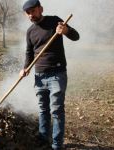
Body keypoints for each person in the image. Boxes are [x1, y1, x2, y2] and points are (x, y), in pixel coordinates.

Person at [20, 0, 80, 149]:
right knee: (43, 110)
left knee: (57, 110)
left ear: (40, 9)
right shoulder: (30, 31)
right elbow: (29, 53)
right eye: (28, 13)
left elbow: (76, 36)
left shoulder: (55, 21)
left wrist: (65, 31)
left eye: (33, 11)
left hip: (57, 73)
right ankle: (43, 140)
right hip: (39, 75)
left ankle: (56, 145)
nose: (31, 15)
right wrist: (25, 68)